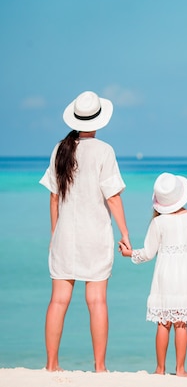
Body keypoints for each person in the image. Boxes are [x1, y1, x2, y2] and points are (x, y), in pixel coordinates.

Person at [40, 90, 131, 372]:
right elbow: (113, 197)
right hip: (95, 236)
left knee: (58, 300)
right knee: (97, 301)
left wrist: (54, 234)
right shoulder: (104, 151)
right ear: (99, 120)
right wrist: (125, 233)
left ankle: (52, 365)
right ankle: (100, 367)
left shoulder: (60, 149)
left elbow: (54, 197)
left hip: (64, 235)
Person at [119, 172, 187, 377]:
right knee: (181, 323)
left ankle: (160, 369)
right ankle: (181, 369)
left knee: (163, 322)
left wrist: (128, 253)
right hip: (186, 276)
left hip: (164, 276)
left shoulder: (158, 223)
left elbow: (148, 253)